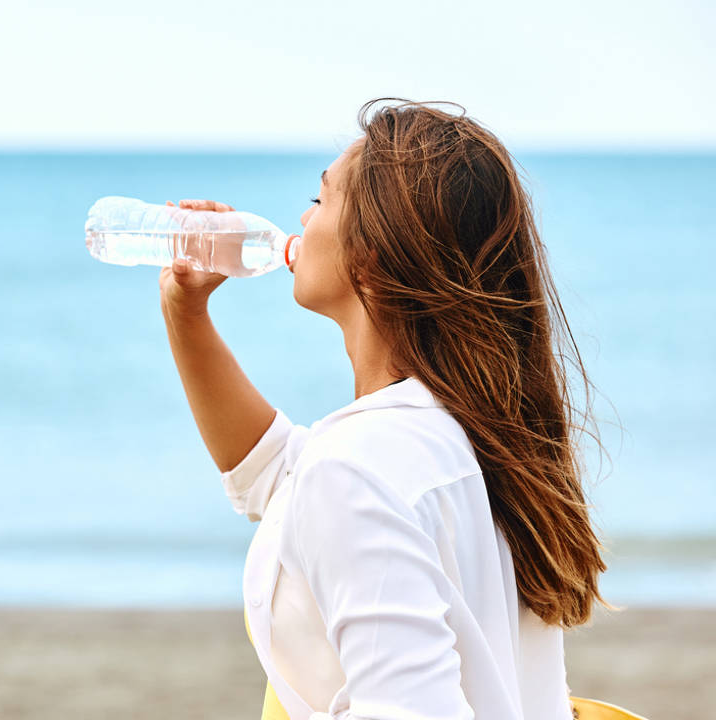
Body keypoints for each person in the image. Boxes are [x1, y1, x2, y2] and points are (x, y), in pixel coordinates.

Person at [158, 98, 614, 720]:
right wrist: (186, 314)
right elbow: (276, 477)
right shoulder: (478, 439)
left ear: (371, 255)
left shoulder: (359, 467)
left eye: (320, 200)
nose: (301, 217)